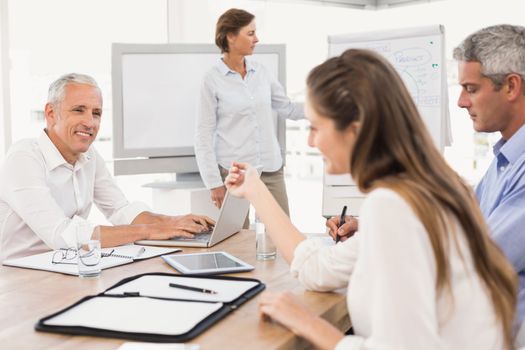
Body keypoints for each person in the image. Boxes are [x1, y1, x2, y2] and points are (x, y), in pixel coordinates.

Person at [225, 49, 517, 349]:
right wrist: (255, 190)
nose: (311, 141)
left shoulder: (392, 205)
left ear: (355, 131)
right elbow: (318, 269)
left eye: (315, 127)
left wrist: (309, 323)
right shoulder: (433, 189)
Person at [0, 73, 214, 262]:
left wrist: (173, 222)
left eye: (96, 113)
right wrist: (150, 231)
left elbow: (120, 210)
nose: (90, 122)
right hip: (18, 279)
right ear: (50, 113)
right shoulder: (24, 157)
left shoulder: (89, 156)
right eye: (78, 110)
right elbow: (62, 235)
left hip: (65, 267)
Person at [194, 8, 303, 225]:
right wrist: (214, 183)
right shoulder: (212, 79)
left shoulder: (262, 72)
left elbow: (288, 108)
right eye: (250, 33)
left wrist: (330, 108)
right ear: (231, 37)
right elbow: (203, 134)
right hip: (235, 174)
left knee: (280, 234)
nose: (257, 39)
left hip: (270, 169)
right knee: (236, 239)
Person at [453, 24, 525, 327]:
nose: (461, 102)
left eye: (471, 89)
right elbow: (463, 224)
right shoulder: (506, 159)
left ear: (510, 86)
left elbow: (476, 260)